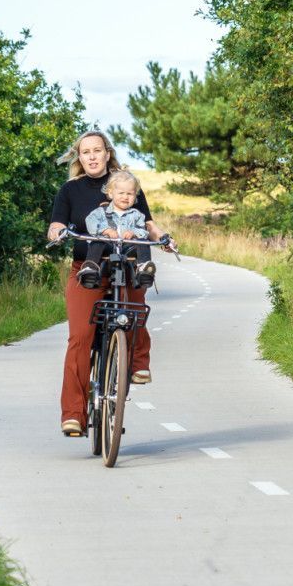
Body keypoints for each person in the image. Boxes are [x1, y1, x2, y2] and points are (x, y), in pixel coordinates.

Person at [47, 130, 175, 437]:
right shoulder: (70, 190)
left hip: (126, 266)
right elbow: (56, 223)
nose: (91, 156)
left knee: (133, 316)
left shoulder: (126, 183)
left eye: (97, 150)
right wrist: (57, 233)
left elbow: (146, 223)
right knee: (80, 337)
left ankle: (133, 367)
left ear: (108, 153)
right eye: (85, 151)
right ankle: (74, 415)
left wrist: (164, 239)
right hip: (87, 270)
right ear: (79, 157)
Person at [78, 170, 156, 288]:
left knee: (143, 242)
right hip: (107, 247)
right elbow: (90, 222)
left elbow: (144, 230)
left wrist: (133, 232)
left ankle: (143, 270)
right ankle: (91, 269)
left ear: (135, 196)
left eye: (129, 194)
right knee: (97, 241)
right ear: (110, 193)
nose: (125, 197)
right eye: (121, 193)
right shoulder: (101, 212)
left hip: (128, 247)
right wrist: (106, 230)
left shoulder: (137, 215)